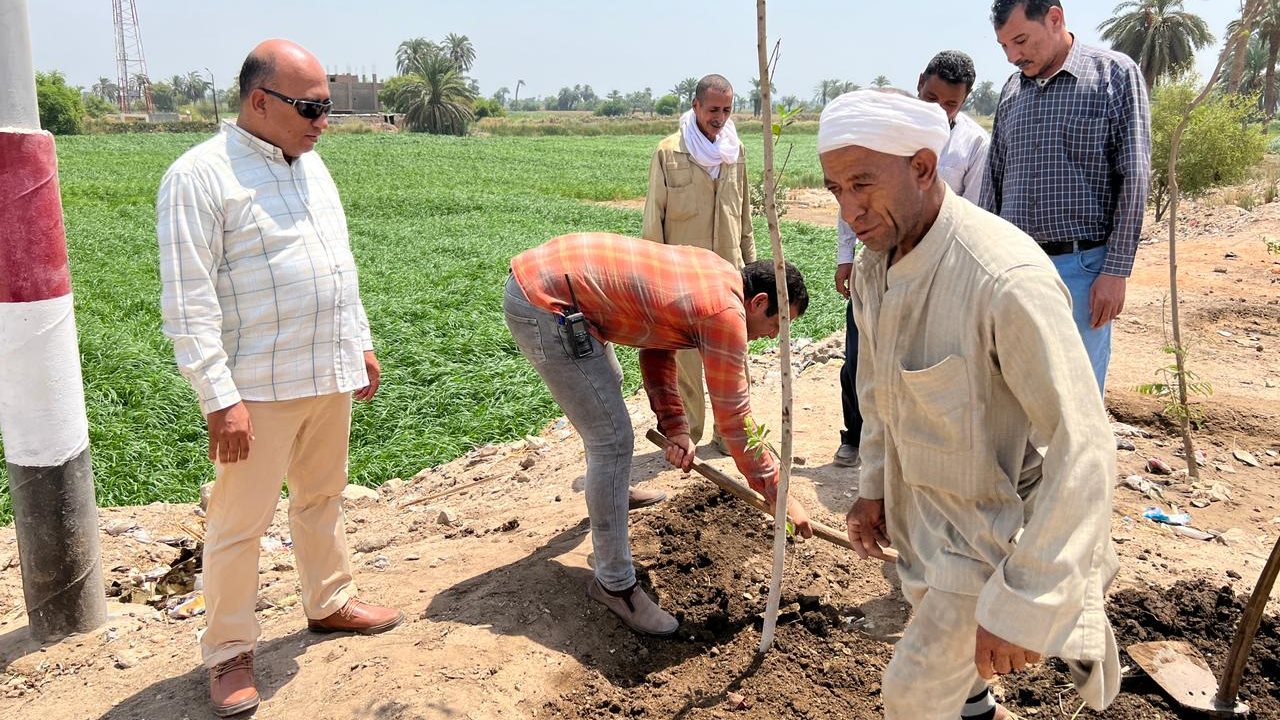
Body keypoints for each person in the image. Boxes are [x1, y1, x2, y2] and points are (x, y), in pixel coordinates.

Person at [821, 90, 1120, 720]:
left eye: (862, 185)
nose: (850, 211)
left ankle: (1054, 615)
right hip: (925, 521)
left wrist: (1026, 601)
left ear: (924, 168)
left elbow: (1085, 444)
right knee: (959, 676)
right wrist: (873, 488)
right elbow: (878, 394)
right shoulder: (877, 267)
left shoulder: (1001, 279)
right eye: (835, 191)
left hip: (993, 534)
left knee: (911, 698)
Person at [157, 39, 402, 717]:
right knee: (240, 523)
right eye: (311, 107)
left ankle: (329, 600)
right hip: (256, 390)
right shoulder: (200, 177)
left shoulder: (311, 167)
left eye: (327, 107)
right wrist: (219, 397)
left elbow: (336, 262)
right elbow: (188, 301)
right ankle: (229, 650)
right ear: (259, 101)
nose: (324, 120)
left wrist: (360, 342)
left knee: (322, 496)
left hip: (325, 369)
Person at [505, 232, 812, 636]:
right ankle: (615, 585)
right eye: (778, 323)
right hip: (546, 302)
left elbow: (655, 343)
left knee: (606, 390)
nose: (775, 336)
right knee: (611, 440)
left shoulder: (717, 271)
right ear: (758, 303)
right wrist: (778, 492)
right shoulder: (725, 312)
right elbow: (735, 421)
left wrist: (676, 428)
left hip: (555, 282)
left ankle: (613, 491)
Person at [980, 0, 1151, 394]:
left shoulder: (1114, 75)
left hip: (1082, 269)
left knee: (1078, 394)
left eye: (1020, 41)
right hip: (1015, 269)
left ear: (1055, 19)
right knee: (1015, 390)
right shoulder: (1011, 91)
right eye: (1004, 47)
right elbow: (994, 181)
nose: (1013, 56)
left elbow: (1135, 176)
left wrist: (1116, 272)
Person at [833, 54, 990, 467]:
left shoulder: (973, 144)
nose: (938, 110)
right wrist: (846, 256)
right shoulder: (888, 129)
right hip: (878, 257)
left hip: (938, 267)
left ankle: (918, 446)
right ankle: (856, 435)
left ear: (965, 100)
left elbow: (972, 208)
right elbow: (853, 199)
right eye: (931, 97)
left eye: (950, 105)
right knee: (861, 356)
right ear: (920, 83)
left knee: (927, 359)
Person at [642, 74, 754, 455]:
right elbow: (653, 219)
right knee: (685, 361)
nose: (719, 118)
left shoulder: (735, 151)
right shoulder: (669, 152)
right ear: (695, 106)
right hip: (681, 280)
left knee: (733, 359)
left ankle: (732, 437)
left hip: (727, 276)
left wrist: (751, 271)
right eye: (712, 110)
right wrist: (651, 280)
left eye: (726, 110)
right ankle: (686, 434)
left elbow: (745, 216)